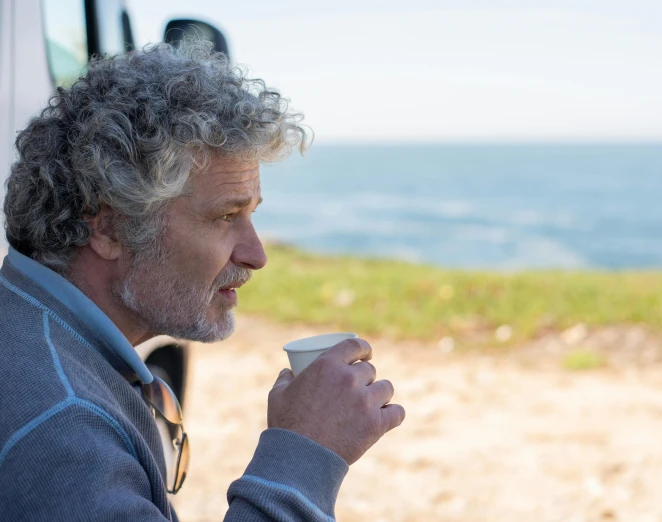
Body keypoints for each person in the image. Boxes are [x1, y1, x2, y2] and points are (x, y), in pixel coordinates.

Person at [0, 40, 404, 521]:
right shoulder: (63, 428)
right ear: (107, 227)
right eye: (224, 217)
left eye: (250, 214)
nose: (257, 256)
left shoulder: (27, 322)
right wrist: (303, 456)